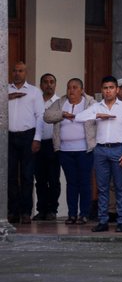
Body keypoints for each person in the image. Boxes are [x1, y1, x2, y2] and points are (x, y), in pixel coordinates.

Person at [73, 76, 122, 232]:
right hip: (100, 149)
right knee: (102, 188)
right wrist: (97, 115)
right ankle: (103, 221)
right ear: (102, 90)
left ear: (116, 89)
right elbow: (78, 117)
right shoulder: (97, 106)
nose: (108, 91)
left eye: (111, 87)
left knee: (120, 187)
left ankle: (121, 220)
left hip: (119, 149)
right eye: (105, 88)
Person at [43, 78, 96, 225]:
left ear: (81, 90)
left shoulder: (90, 103)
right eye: (68, 88)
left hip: (84, 150)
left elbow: (96, 114)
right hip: (65, 151)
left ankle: (84, 214)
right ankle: (72, 214)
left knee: (85, 182)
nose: (71, 91)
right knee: (71, 183)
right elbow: (47, 116)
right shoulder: (61, 102)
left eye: (74, 87)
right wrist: (62, 114)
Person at [7, 61, 45, 225]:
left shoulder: (34, 92)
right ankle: (13, 211)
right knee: (10, 176)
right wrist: (6, 98)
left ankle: (25, 212)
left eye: (20, 71)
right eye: (14, 71)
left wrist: (37, 138)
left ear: (26, 73)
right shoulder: (4, 90)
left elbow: (40, 116)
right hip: (8, 136)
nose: (17, 73)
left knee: (27, 176)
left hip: (28, 136)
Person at [33, 73, 59, 221]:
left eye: (51, 82)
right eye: (45, 82)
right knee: (40, 179)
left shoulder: (60, 102)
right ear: (41, 85)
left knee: (53, 178)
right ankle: (41, 209)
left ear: (55, 84)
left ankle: (52, 210)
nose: (48, 85)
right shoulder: (36, 101)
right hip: (37, 143)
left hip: (53, 144)